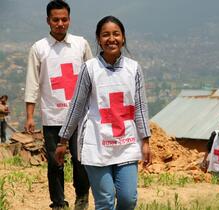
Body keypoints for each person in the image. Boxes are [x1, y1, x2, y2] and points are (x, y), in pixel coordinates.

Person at [55, 16, 152, 210]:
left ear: (123, 38)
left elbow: (140, 107)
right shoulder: (89, 68)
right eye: (105, 34)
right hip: (97, 144)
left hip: (126, 144)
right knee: (105, 201)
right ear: (98, 39)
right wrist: (63, 140)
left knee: (128, 199)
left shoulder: (133, 69)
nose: (111, 39)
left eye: (116, 34)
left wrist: (146, 140)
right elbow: (77, 106)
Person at [24, 1, 92, 209]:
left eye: (64, 19)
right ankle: (58, 203)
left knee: (81, 160)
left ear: (69, 19)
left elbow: (92, 76)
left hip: (79, 115)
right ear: (48, 21)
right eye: (56, 20)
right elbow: (32, 82)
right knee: (55, 163)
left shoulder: (81, 44)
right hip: (52, 116)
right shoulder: (39, 48)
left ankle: (82, 197)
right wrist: (30, 116)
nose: (60, 23)